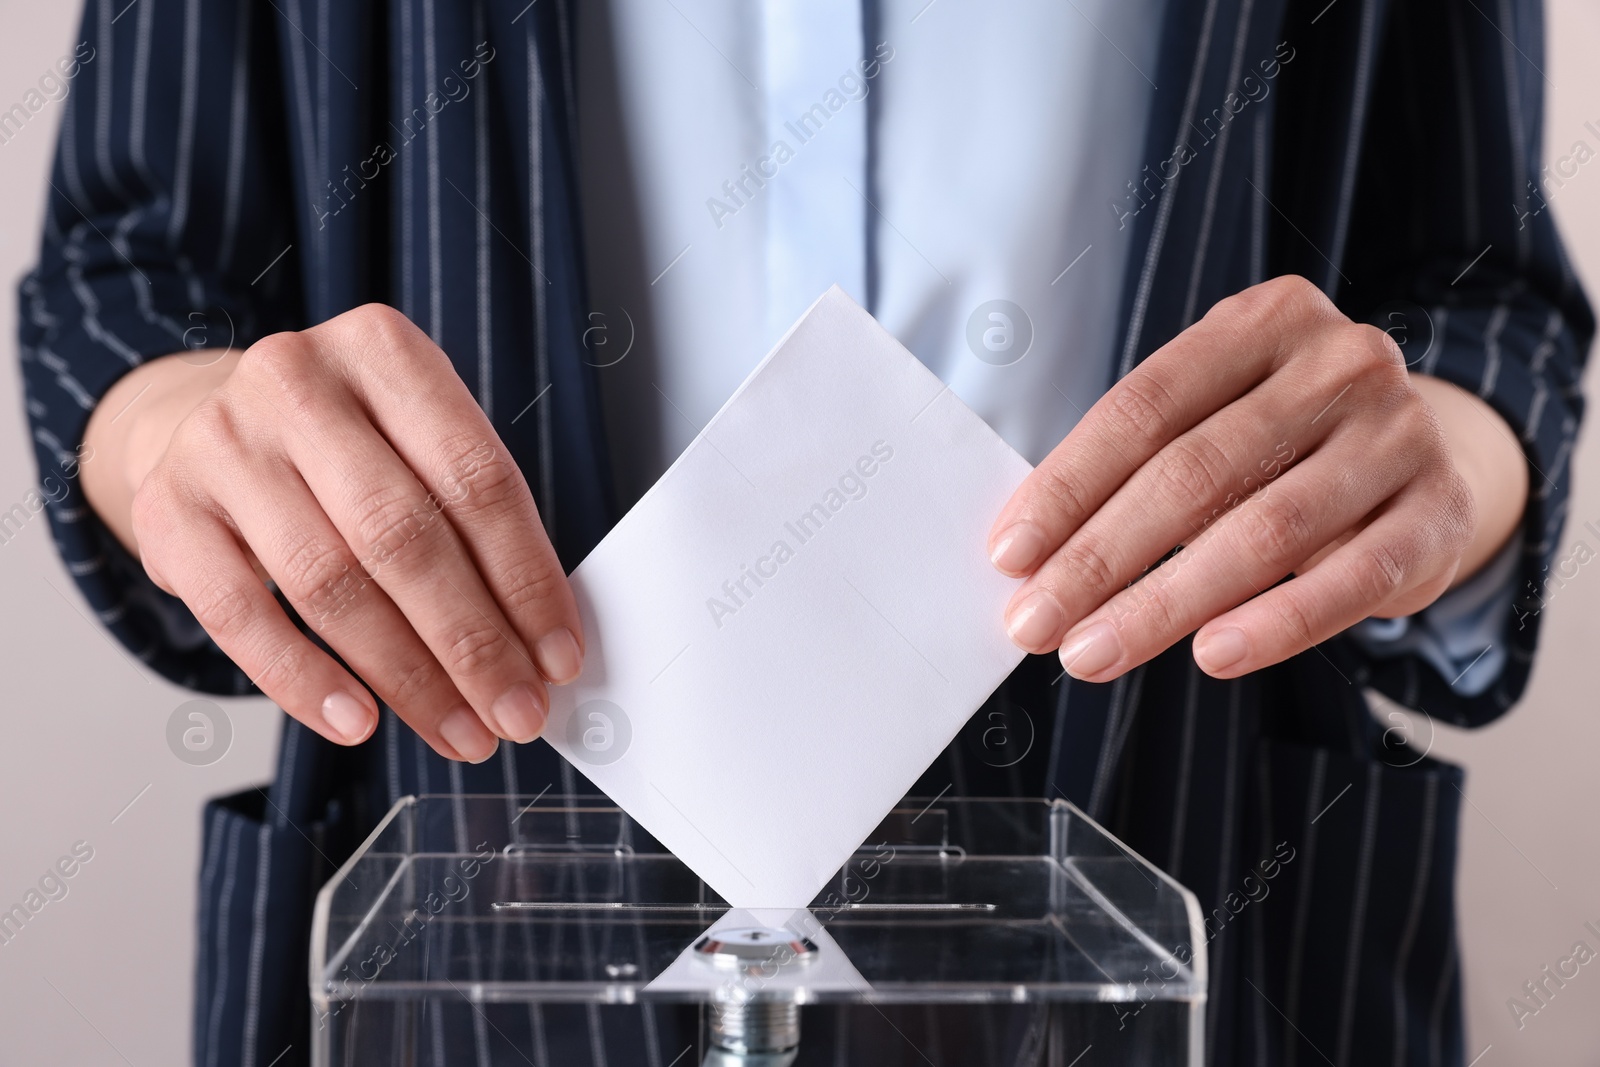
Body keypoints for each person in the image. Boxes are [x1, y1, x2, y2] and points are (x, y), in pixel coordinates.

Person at [17, 0, 1589, 1063]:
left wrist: (1436, 462)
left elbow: (1477, 290)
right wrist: (180, 437)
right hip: (473, 934)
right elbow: (128, 277)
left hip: (1190, 875)